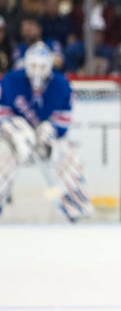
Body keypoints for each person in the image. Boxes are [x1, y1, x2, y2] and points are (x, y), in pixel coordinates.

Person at [0, 42, 92, 221]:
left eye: (42, 66)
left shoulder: (61, 84)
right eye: (33, 65)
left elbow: (64, 121)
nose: (37, 70)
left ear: (49, 66)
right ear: (25, 64)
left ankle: (75, 206)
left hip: (46, 142)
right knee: (2, 157)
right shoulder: (10, 81)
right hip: (15, 142)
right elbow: (2, 114)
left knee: (70, 156)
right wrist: (15, 128)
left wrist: (49, 130)